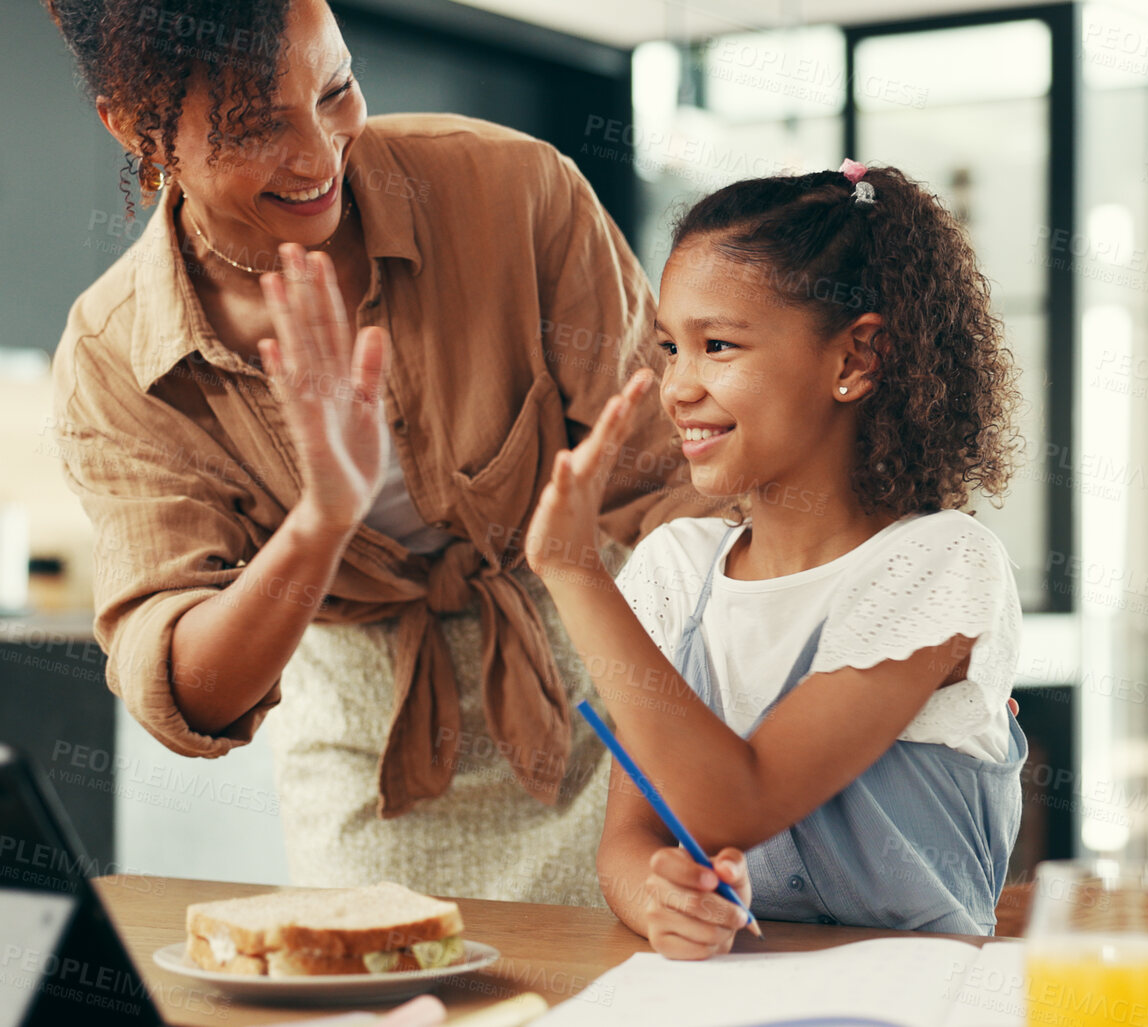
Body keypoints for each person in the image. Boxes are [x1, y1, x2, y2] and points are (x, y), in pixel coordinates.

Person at [42, 0, 715, 903]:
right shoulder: (115, 354)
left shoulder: (511, 191)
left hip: (599, 698)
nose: (320, 157)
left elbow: (674, 487)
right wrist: (323, 518)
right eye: (252, 129)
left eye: (336, 90)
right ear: (137, 128)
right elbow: (183, 693)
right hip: (369, 751)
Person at [523, 159, 1030, 957]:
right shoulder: (675, 568)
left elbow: (738, 802)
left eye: (715, 345)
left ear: (855, 359)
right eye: (667, 348)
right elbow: (630, 836)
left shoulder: (939, 565)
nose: (676, 387)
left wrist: (571, 568)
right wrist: (657, 895)